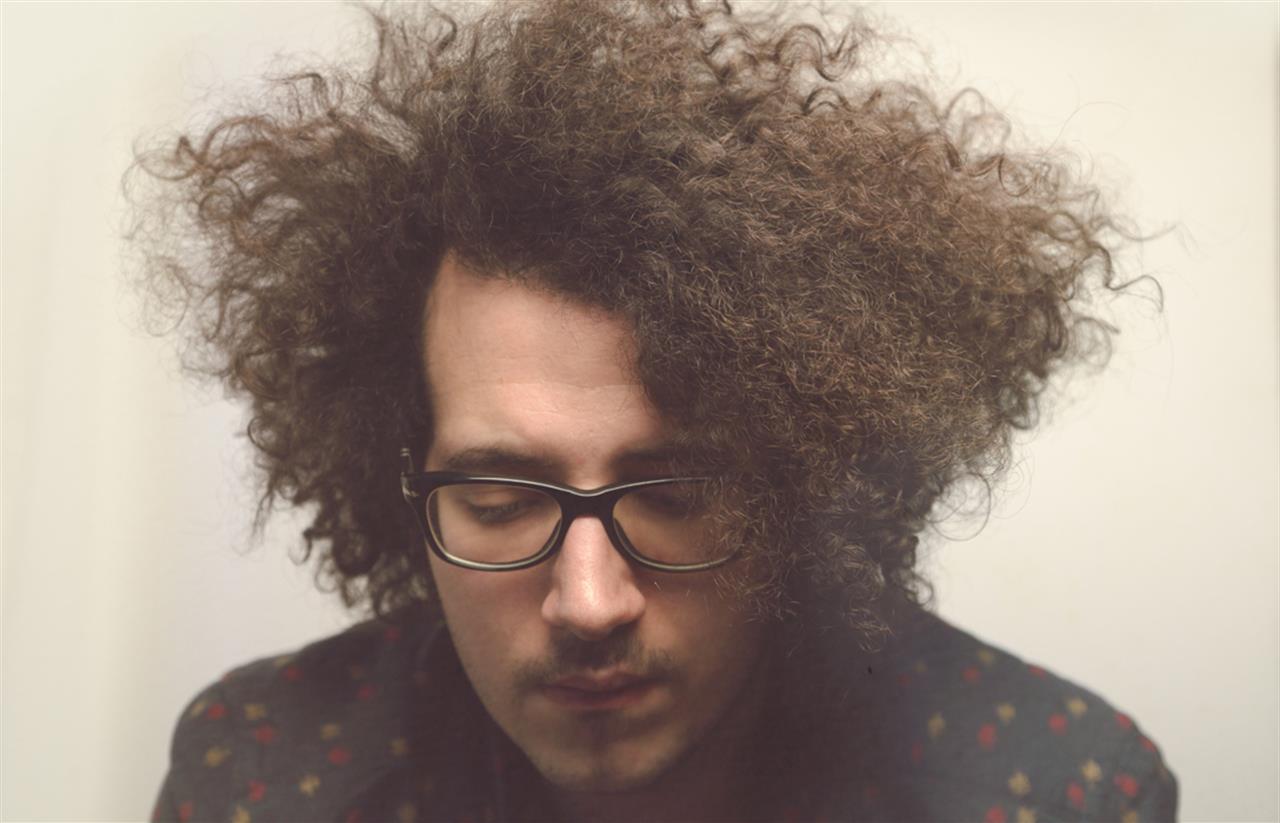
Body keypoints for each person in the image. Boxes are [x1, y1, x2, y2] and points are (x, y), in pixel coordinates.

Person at [132, 1, 1179, 820]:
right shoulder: (266, 777)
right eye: (499, 499)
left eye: (675, 494)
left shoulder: (1053, 792)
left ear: (805, 486)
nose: (589, 603)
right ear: (399, 482)